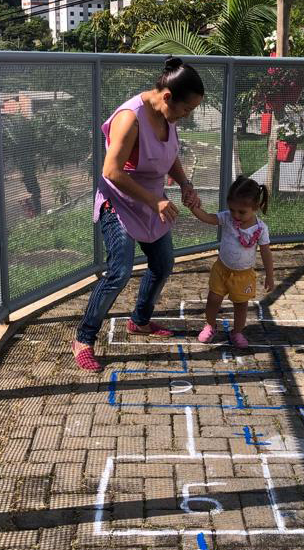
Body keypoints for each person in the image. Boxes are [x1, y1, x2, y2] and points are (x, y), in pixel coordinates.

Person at [72, 56, 204, 372]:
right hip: (119, 201)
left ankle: (140, 321)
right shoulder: (130, 118)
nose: (186, 116)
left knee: (163, 263)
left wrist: (185, 184)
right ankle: (83, 338)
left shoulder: (167, 116)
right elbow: (111, 171)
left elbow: (168, 156)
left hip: (150, 201)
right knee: (119, 271)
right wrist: (154, 201)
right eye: (186, 109)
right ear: (168, 96)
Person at [186, 175, 275, 348]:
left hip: (244, 275)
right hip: (221, 269)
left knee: (241, 305)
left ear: (255, 207)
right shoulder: (227, 218)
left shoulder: (261, 229)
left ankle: (237, 332)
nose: (236, 215)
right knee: (213, 299)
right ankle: (210, 326)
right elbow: (208, 218)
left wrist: (270, 276)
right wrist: (193, 208)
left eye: (242, 212)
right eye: (232, 209)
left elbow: (266, 253)